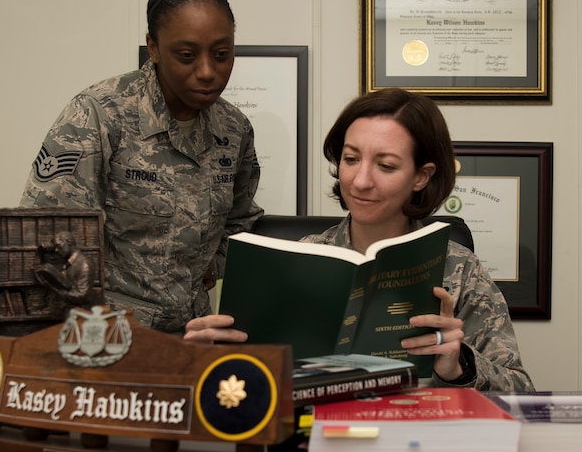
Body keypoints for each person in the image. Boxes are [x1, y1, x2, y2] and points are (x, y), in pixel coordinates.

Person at [189, 88, 534, 392]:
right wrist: (209, 360)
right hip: (313, 439)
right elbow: (241, 388)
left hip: (417, 443)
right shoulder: (295, 260)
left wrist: (459, 365)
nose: (360, 181)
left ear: (421, 176)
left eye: (385, 166)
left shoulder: (458, 268)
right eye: (351, 159)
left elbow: (521, 389)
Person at [21, 0, 262, 333]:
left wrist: (208, 267)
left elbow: (241, 222)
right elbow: (48, 239)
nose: (208, 72)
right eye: (186, 55)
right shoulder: (99, 115)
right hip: (109, 336)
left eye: (222, 54)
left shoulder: (234, 129)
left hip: (195, 333)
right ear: (153, 47)